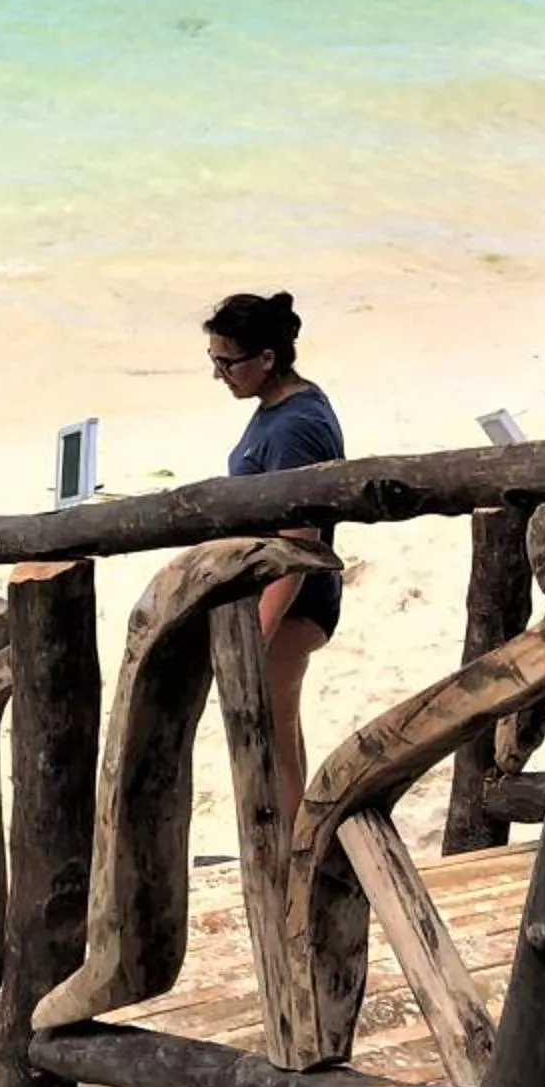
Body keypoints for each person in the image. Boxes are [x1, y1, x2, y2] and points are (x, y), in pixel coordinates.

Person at [206, 290, 346, 832]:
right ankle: (291, 848)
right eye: (213, 362)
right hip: (272, 602)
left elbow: (297, 543)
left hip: (292, 607)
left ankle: (290, 860)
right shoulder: (281, 407)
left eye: (227, 362)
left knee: (275, 736)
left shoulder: (295, 427)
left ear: (267, 358)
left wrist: (259, 631)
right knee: (279, 732)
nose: (220, 375)